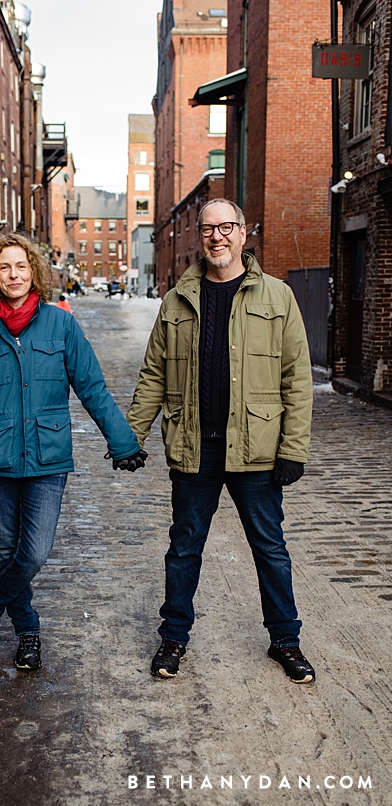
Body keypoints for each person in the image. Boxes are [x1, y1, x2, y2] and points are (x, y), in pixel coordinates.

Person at [127, 199, 315, 683]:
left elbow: (297, 377)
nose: (218, 237)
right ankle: (174, 639)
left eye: (227, 227)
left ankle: (286, 641)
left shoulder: (278, 296)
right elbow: (152, 375)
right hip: (195, 447)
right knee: (184, 547)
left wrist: (292, 448)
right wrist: (130, 437)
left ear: (243, 232)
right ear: (198, 236)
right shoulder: (177, 301)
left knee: (269, 547)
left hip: (256, 448)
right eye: (209, 229)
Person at [0, 233, 146, 671]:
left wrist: (123, 439)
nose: (14, 275)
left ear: (34, 271)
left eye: (21, 266)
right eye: (4, 267)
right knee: (5, 551)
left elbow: (91, 387)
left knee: (32, 552)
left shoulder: (61, 325)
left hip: (46, 457)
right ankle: (28, 632)